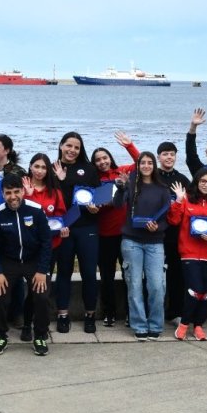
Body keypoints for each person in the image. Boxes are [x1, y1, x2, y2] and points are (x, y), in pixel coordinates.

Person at [0, 173, 53, 356]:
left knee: (41, 296)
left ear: (23, 191)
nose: (13, 196)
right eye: (8, 193)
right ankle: (0, 335)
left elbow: (46, 242)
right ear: (2, 193)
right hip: (9, 261)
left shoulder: (36, 210)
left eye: (16, 192)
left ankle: (40, 335)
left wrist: (42, 270)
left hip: (34, 260)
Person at [167, 168, 207, 341]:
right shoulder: (187, 198)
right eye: (202, 181)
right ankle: (184, 323)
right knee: (194, 290)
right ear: (196, 182)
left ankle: (199, 325)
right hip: (189, 253)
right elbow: (173, 220)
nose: (206, 185)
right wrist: (178, 200)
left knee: (206, 291)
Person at [118, 152, 174, 340]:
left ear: (154, 165)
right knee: (134, 285)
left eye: (150, 163)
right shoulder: (131, 184)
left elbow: (167, 219)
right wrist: (121, 188)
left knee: (157, 286)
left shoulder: (162, 189)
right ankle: (139, 325)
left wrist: (158, 227)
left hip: (155, 242)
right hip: (131, 241)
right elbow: (117, 204)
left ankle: (156, 324)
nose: (146, 166)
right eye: (143, 163)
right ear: (138, 165)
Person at [52, 132, 101, 334]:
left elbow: (98, 196)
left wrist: (96, 207)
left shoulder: (89, 169)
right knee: (63, 272)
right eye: (69, 146)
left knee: (89, 272)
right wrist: (61, 179)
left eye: (77, 147)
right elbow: (53, 199)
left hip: (87, 227)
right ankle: (63, 315)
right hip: (64, 228)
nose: (72, 150)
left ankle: (90, 315)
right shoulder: (52, 168)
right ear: (61, 146)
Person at [92, 132, 142, 326]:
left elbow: (142, 163)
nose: (102, 162)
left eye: (104, 158)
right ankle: (109, 312)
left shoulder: (121, 172)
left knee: (131, 275)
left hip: (126, 235)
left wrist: (130, 146)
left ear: (110, 158)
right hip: (104, 236)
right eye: (97, 160)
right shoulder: (93, 180)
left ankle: (131, 313)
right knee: (107, 277)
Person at [23, 152, 68, 341]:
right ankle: (27, 324)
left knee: (43, 289)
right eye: (36, 166)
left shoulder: (54, 192)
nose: (40, 171)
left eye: (43, 167)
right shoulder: (23, 189)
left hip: (50, 246)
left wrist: (63, 228)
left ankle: (41, 326)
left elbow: (60, 216)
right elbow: (20, 214)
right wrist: (29, 195)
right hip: (29, 247)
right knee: (31, 288)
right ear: (30, 167)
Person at [155, 140, 191, 326]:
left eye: (172, 154)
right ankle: (155, 312)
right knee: (155, 276)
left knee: (177, 275)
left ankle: (175, 311)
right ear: (158, 157)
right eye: (165, 154)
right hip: (155, 234)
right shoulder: (152, 176)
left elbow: (190, 206)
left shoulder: (182, 179)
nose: (169, 157)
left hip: (176, 236)